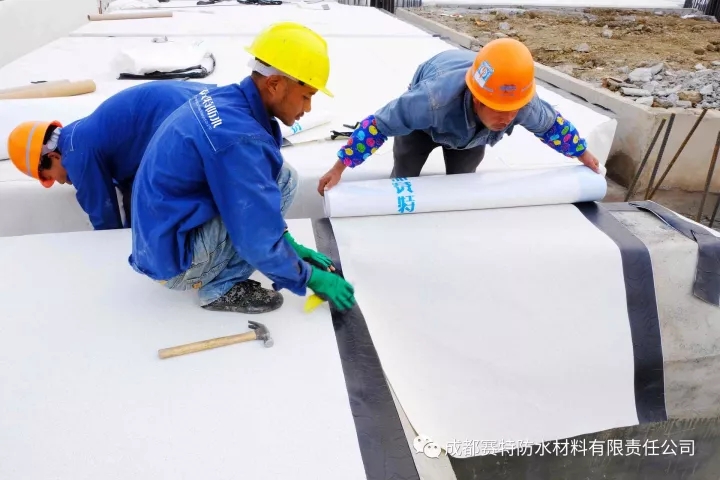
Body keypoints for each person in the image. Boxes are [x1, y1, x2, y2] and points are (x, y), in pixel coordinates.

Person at [128, 22, 356, 315]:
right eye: (306, 96)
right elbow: (254, 234)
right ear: (274, 85)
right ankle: (219, 288)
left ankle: (240, 259)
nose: (308, 109)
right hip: (172, 261)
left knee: (280, 177)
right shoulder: (239, 140)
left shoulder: (227, 100)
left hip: (160, 236)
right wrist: (309, 276)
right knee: (269, 201)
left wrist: (290, 246)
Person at [317, 38, 602, 195]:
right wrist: (340, 167)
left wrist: (583, 153)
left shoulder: (520, 102)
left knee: (462, 184)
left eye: (512, 111)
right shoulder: (429, 101)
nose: (507, 118)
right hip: (424, 125)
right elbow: (378, 125)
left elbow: (553, 127)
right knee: (404, 176)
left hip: (472, 134)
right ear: (477, 98)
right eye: (499, 110)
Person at [6, 80, 217, 230]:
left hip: (185, 118)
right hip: (193, 101)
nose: (59, 182)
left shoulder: (76, 155)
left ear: (53, 157)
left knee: (165, 201)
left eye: (49, 176)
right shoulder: (77, 135)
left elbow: (104, 216)